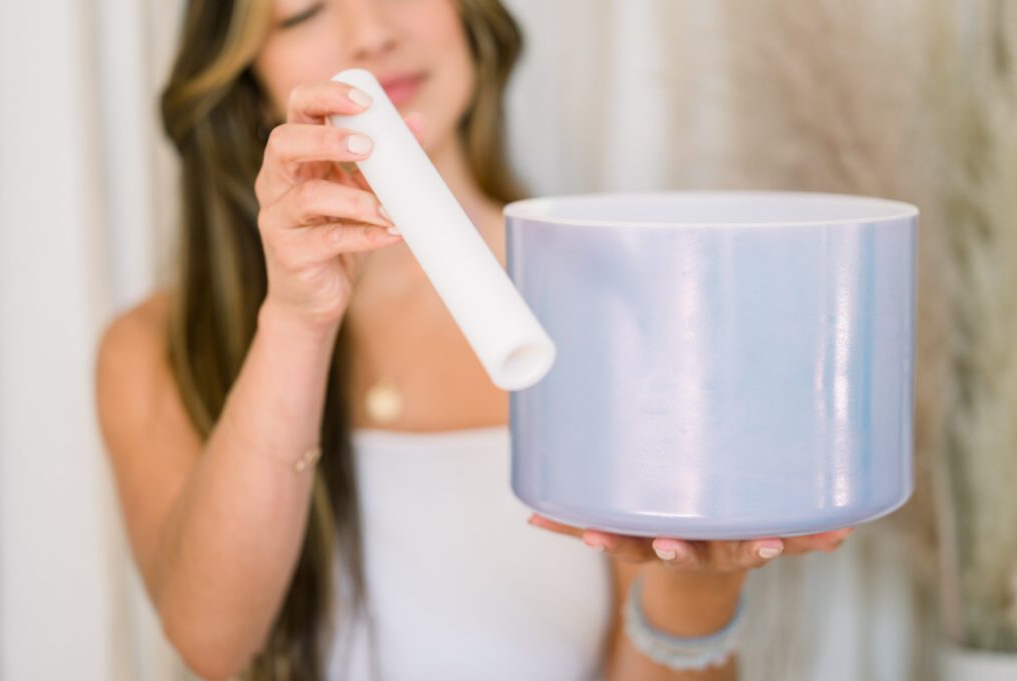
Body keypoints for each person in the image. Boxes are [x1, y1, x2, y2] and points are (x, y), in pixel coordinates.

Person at [94, 1, 852, 679]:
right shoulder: (152, 349)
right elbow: (212, 643)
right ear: (246, 77)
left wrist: (700, 582)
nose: (374, 29)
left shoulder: (611, 303)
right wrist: (296, 318)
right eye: (304, 12)